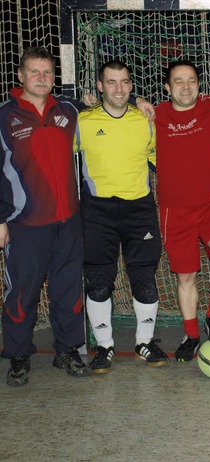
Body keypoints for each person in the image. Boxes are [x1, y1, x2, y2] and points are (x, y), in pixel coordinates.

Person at [0, 47, 90, 386]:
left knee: (68, 291)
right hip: (24, 224)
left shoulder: (67, 110)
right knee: (21, 292)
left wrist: (140, 102)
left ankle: (67, 350)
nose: (41, 78)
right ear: (20, 75)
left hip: (68, 221)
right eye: (34, 72)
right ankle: (19, 355)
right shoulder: (5, 116)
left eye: (47, 73)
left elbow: (110, 105)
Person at [76, 60, 168, 374]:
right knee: (99, 283)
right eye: (111, 82)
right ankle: (104, 347)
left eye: (125, 82)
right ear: (99, 86)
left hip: (139, 209)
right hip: (97, 211)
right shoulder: (82, 121)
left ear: (132, 86)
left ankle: (144, 342)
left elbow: (162, 162)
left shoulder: (145, 120)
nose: (119, 89)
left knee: (144, 280)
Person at [154, 60, 210, 362]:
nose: (186, 86)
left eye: (191, 80)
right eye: (178, 81)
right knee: (185, 278)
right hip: (174, 212)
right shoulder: (155, 115)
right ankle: (191, 335)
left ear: (199, 85)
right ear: (167, 88)